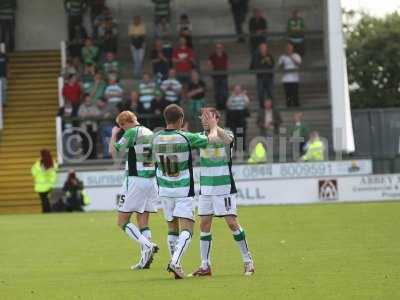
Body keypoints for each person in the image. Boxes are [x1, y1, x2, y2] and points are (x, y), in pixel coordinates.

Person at [152, 104, 219, 279]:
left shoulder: (156, 138)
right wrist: (212, 127)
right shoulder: (185, 137)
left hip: (164, 189)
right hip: (182, 190)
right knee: (187, 230)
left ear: (166, 119)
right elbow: (210, 140)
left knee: (172, 228)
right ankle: (175, 262)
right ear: (181, 119)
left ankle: (177, 265)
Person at [190, 107, 255, 277]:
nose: (203, 120)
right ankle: (205, 265)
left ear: (216, 118)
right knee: (204, 225)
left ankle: (248, 261)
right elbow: (200, 140)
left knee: (232, 223)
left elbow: (226, 140)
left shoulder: (226, 133)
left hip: (224, 187)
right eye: (202, 117)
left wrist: (214, 127)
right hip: (206, 188)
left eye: (207, 117)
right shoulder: (200, 136)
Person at [109, 111, 159, 270]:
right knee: (143, 221)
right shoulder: (150, 132)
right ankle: (145, 260)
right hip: (151, 180)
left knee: (122, 221)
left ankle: (148, 245)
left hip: (136, 179)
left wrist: (113, 135)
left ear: (124, 124)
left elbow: (113, 151)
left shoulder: (131, 132)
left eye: (121, 127)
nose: (121, 129)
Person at [226, 85, 250, 151]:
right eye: (235, 89)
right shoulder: (231, 97)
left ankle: (243, 147)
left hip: (241, 115)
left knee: (242, 132)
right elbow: (227, 105)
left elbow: (247, 103)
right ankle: (237, 147)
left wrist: (243, 95)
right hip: (233, 116)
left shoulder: (243, 96)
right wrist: (232, 96)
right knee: (235, 133)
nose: (237, 90)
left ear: (240, 90)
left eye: (238, 89)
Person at [250, 42, 275, 108]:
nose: (263, 49)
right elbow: (252, 67)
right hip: (260, 78)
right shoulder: (256, 56)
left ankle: (271, 108)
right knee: (260, 94)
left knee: (270, 93)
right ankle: (262, 108)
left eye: (264, 48)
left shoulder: (270, 56)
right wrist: (262, 62)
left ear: (266, 48)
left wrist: (269, 62)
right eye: (262, 48)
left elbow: (272, 65)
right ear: (259, 48)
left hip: (269, 78)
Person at [278, 42, 302, 107]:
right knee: (288, 94)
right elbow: (280, 67)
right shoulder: (282, 57)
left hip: (295, 79)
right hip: (286, 79)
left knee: (295, 94)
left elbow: (298, 64)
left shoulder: (296, 55)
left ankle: (296, 106)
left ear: (292, 48)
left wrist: (291, 57)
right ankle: (288, 106)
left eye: (290, 47)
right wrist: (283, 61)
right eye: (287, 47)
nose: (289, 49)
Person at [78, 93, 100, 159]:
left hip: (93, 127)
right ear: (85, 98)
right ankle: (86, 156)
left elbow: (98, 114)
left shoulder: (94, 106)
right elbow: (79, 114)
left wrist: (92, 115)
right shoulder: (81, 106)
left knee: (93, 141)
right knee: (85, 142)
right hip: (85, 127)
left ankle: (93, 157)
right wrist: (85, 115)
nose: (89, 99)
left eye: (89, 97)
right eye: (87, 97)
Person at [208, 43, 229, 110]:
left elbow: (227, 64)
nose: (219, 49)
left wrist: (226, 71)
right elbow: (209, 64)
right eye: (217, 48)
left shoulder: (225, 55)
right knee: (217, 91)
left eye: (220, 47)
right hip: (216, 76)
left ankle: (225, 105)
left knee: (224, 91)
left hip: (223, 75)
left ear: (222, 48)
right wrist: (212, 71)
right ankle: (219, 105)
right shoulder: (212, 56)